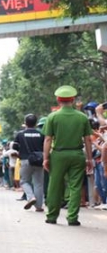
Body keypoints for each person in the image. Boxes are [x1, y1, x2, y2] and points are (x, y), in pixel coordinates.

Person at [42, 85, 94, 227]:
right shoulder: (82, 117)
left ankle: (52, 216)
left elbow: (48, 139)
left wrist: (46, 158)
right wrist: (89, 159)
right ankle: (72, 218)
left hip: (58, 154)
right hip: (77, 154)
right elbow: (88, 139)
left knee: (55, 185)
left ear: (58, 100)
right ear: (72, 99)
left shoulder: (53, 117)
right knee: (75, 186)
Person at [11, 113, 46, 212]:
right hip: (39, 161)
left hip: (25, 160)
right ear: (36, 123)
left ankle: (31, 197)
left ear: (25, 123)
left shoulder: (20, 134)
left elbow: (15, 148)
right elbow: (45, 147)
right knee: (38, 183)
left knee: (24, 181)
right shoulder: (41, 134)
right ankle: (39, 206)